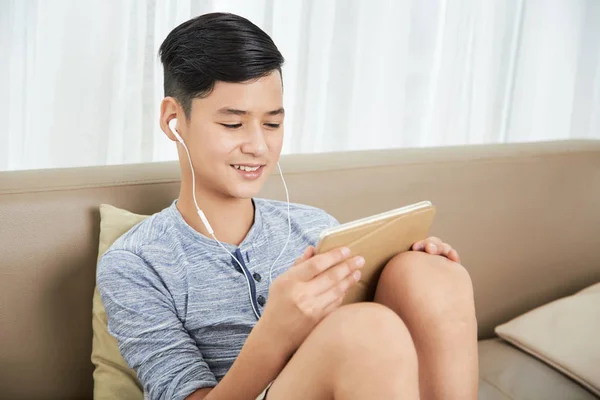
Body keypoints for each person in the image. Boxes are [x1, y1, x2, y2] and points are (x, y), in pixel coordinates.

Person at [97, 12, 478, 400]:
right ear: (173, 119)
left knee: (429, 274)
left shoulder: (315, 228)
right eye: (233, 124)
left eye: (272, 124)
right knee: (366, 330)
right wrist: (276, 332)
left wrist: (412, 264)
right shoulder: (134, 264)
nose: (259, 146)